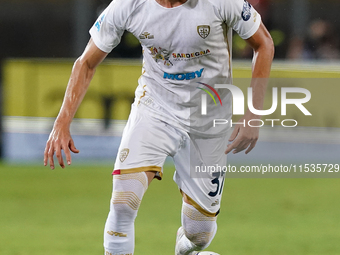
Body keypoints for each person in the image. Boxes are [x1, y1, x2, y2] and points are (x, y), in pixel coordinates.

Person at [44, 0, 274, 254]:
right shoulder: (128, 5)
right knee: (124, 201)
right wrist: (62, 123)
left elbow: (264, 44)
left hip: (209, 118)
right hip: (156, 107)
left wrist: (253, 114)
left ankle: (185, 248)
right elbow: (86, 62)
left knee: (200, 232)